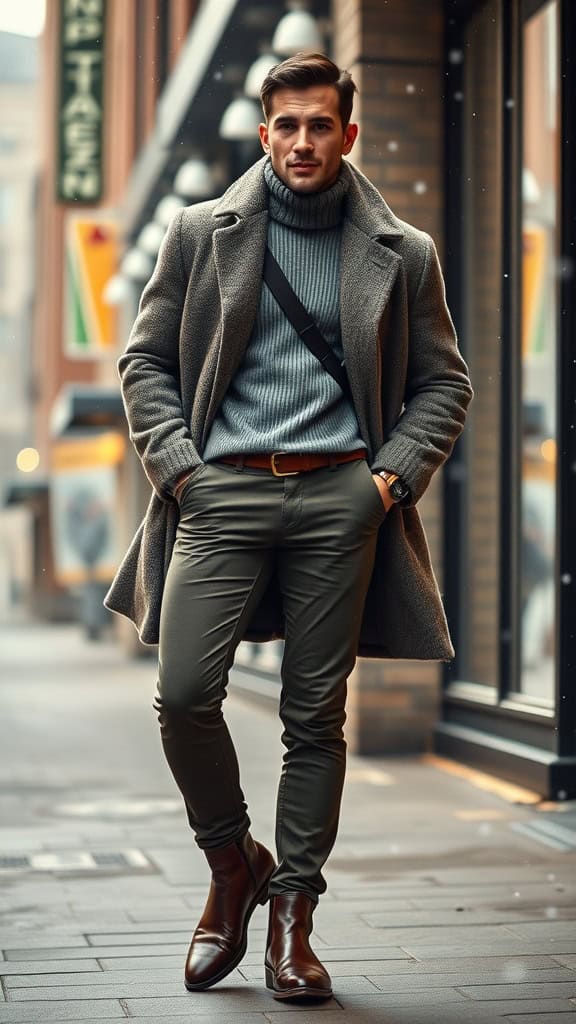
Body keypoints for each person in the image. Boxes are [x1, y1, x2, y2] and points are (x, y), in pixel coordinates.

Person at [104, 53, 473, 1002]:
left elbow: (445, 385)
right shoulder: (199, 232)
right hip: (219, 491)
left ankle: (294, 920)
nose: (302, 142)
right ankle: (235, 863)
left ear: (348, 135)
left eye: (320, 126)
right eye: (286, 127)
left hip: (341, 497)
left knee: (316, 717)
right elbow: (144, 363)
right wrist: (181, 467)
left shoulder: (406, 252)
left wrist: (387, 480)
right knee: (184, 693)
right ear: (264, 133)